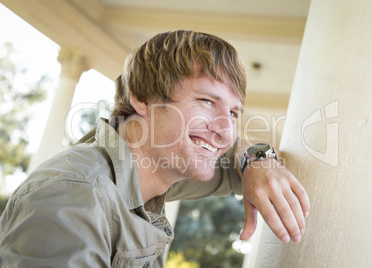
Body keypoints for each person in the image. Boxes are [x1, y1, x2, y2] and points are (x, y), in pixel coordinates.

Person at [0, 30, 310, 267]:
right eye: (206, 101)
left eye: (233, 113)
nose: (225, 130)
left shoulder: (157, 167)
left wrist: (258, 160)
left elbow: (235, 157)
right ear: (143, 98)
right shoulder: (74, 198)